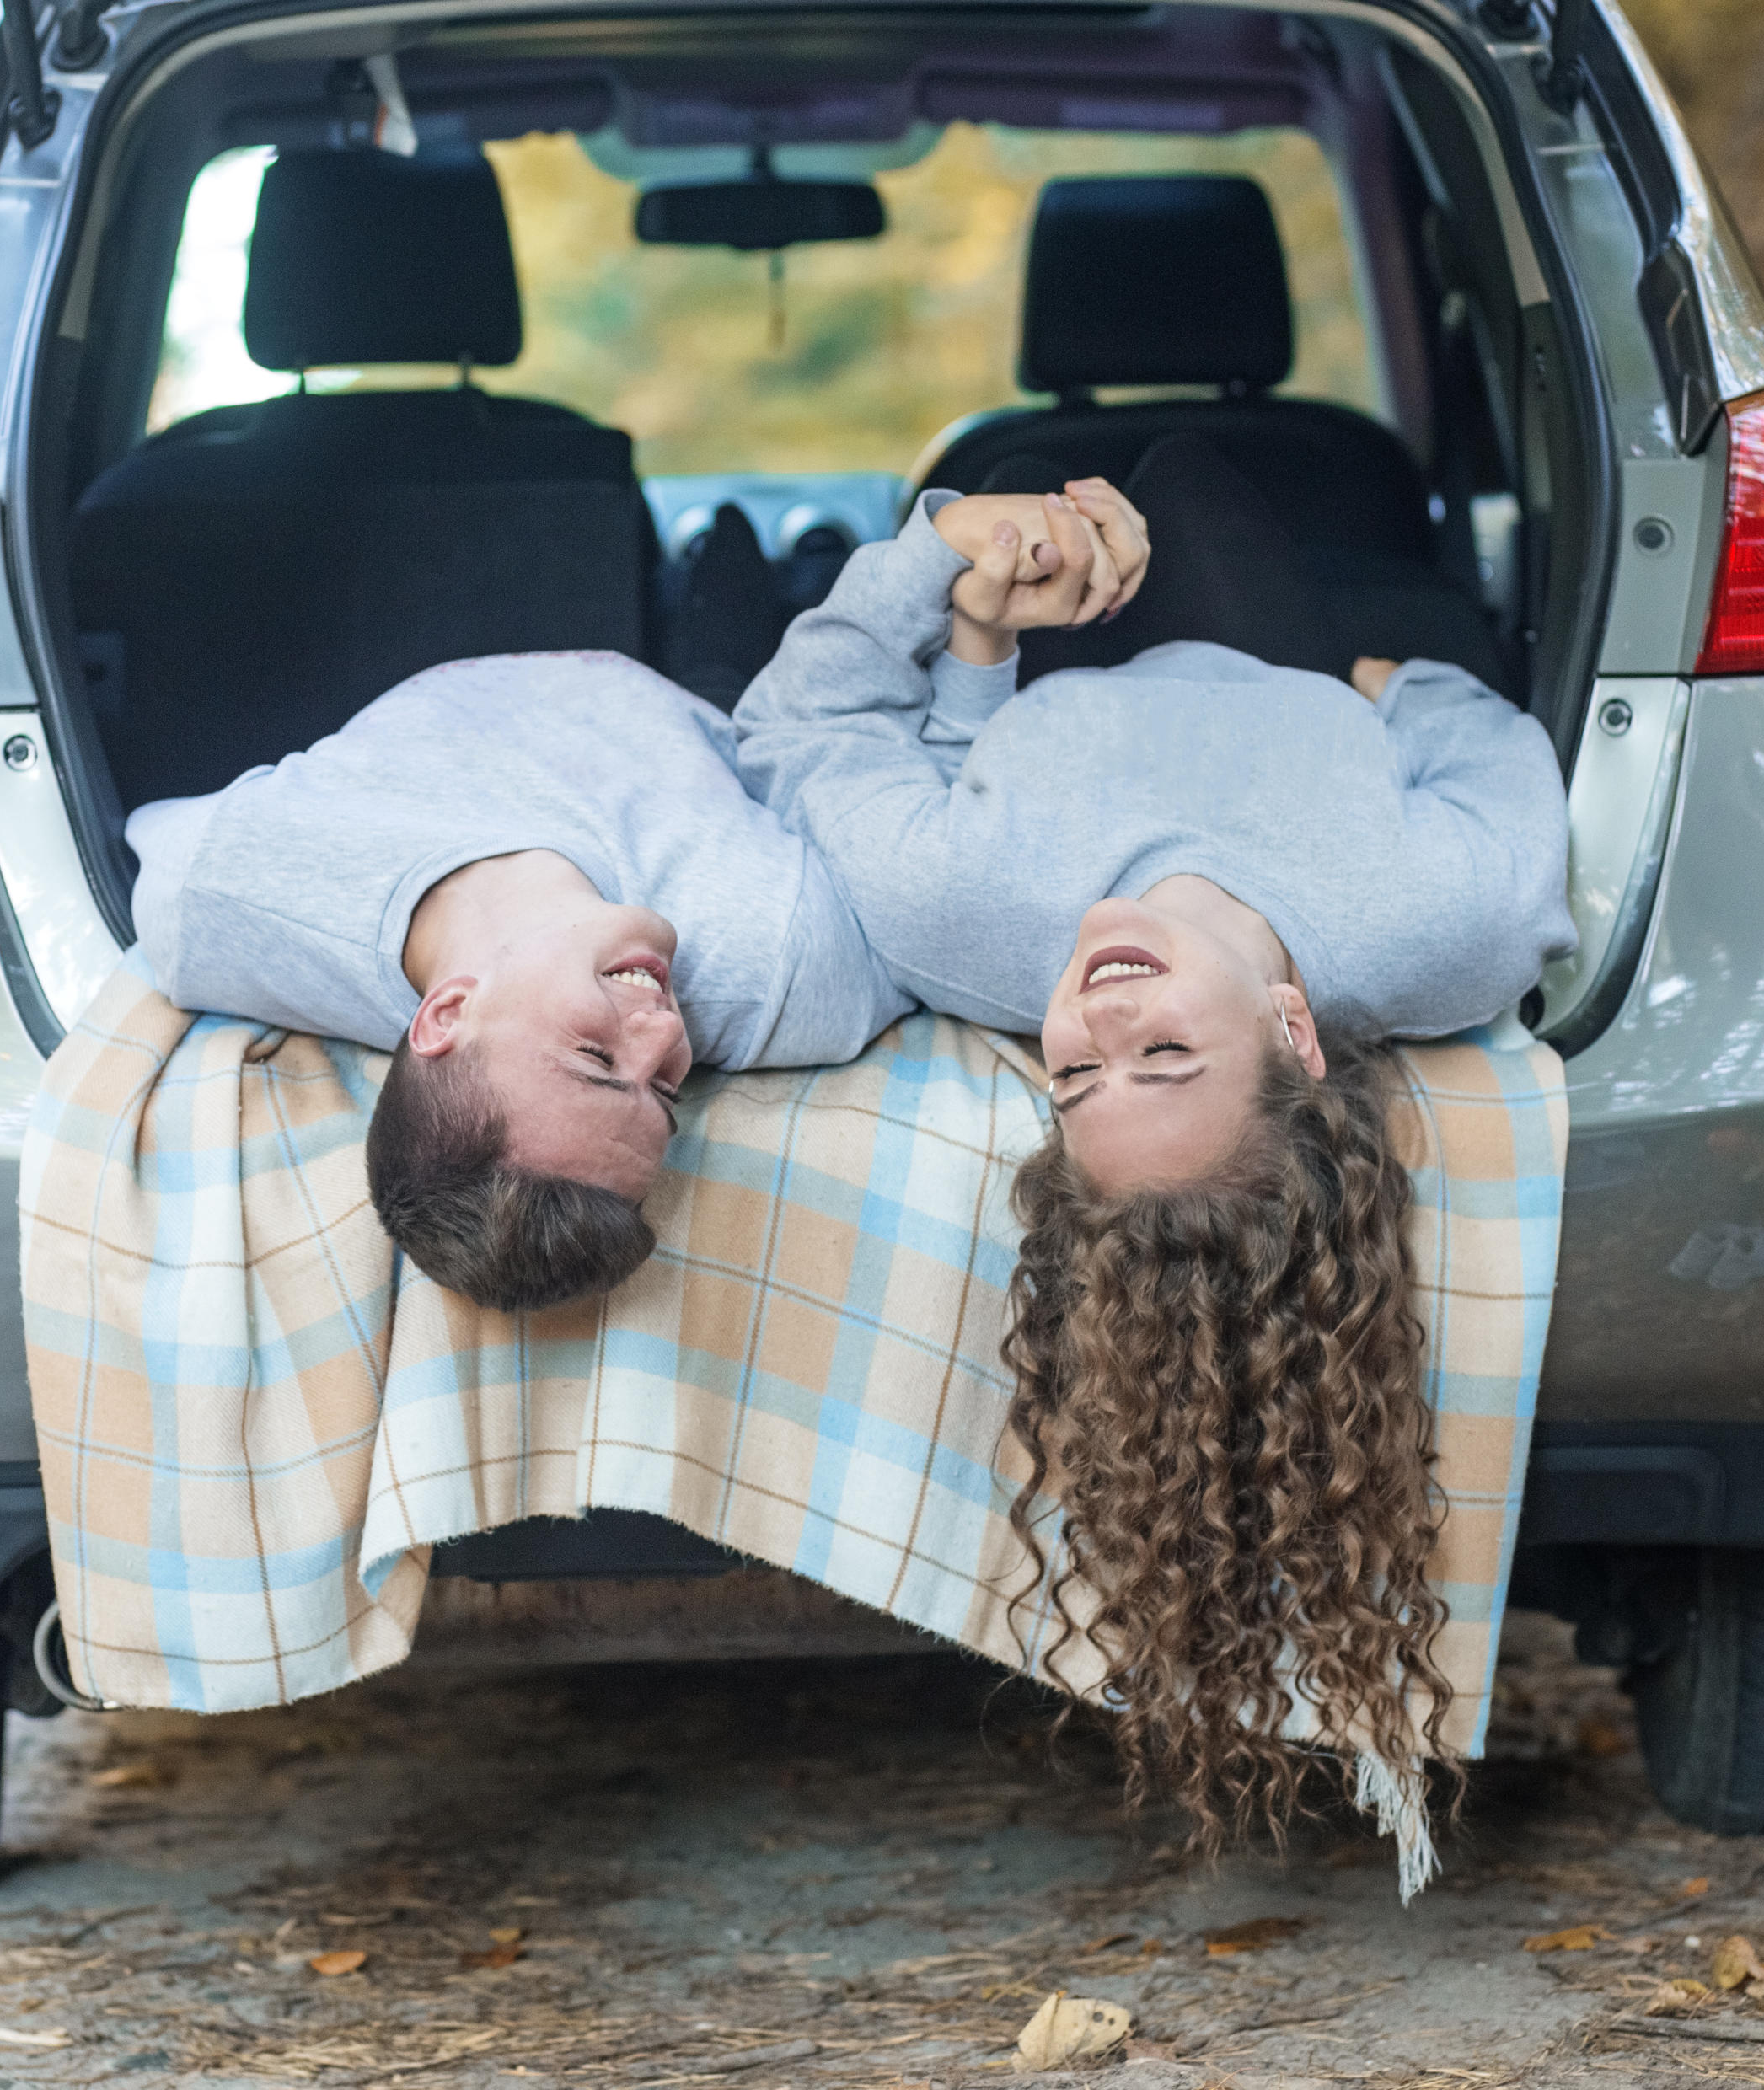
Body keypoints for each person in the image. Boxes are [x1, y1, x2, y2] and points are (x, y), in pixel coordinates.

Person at [730, 442, 1574, 1844]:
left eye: (1076, 1077)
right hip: (1285, 660)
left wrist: (961, 572)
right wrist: (1391, 691)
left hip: (1034, 678)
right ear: (1298, 1037)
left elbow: (798, 727)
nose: (1097, 1015)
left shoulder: (969, 917)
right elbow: (1492, 744)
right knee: (1198, 482)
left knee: (1010, 461)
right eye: (1167, 1053)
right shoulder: (1446, 926)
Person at [126, 650, 909, 1312]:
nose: (669, 1036)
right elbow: (897, 791)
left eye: (596, 1060)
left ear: (444, 1016)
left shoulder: (213, 900)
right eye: (668, 1093)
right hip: (740, 690)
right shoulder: (777, 967)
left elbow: (175, 875)